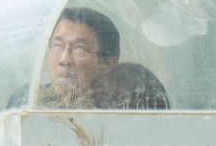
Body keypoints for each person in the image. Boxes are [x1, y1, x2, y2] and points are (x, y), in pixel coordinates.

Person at [40, 6, 169, 110]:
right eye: (57, 45)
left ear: (108, 63)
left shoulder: (132, 102)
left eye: (80, 49)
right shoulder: (34, 100)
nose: (64, 60)